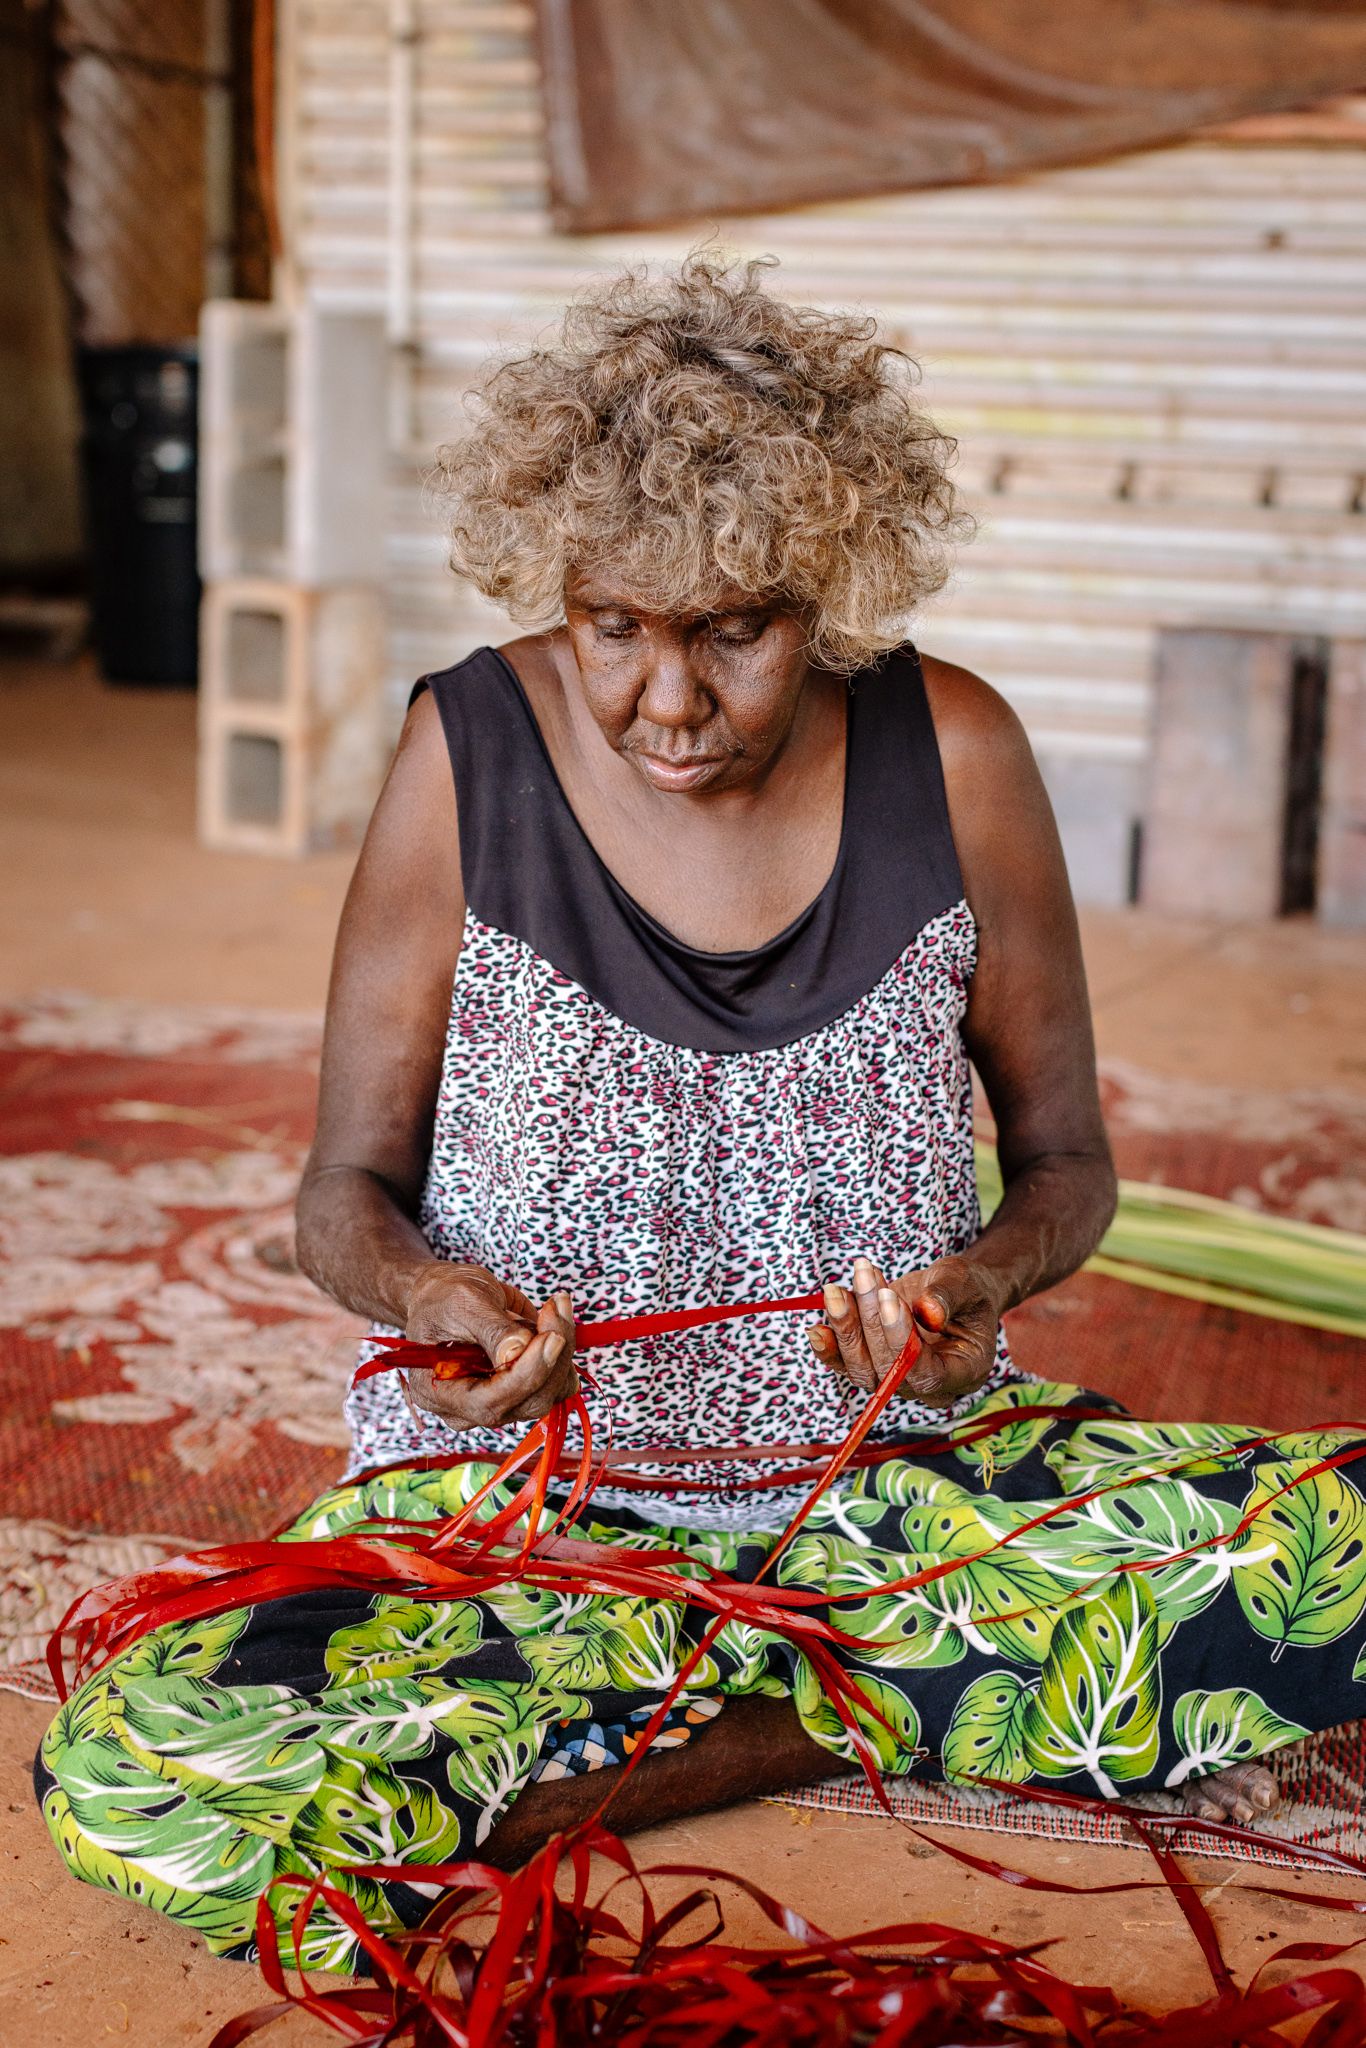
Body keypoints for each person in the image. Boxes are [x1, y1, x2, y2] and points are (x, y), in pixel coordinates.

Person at [37, 254, 1360, 1971]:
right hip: (517, 1510)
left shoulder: (954, 756)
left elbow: (1069, 1168)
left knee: (1330, 1551)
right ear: (558, 593)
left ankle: (743, 1716)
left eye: (735, 630)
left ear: (829, 593)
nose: (668, 700)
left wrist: (973, 1293)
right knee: (146, 1771)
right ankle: (864, 1691)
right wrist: (432, 1298)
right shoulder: (467, 756)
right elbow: (340, 1189)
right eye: (614, 629)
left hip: (886, 1490)